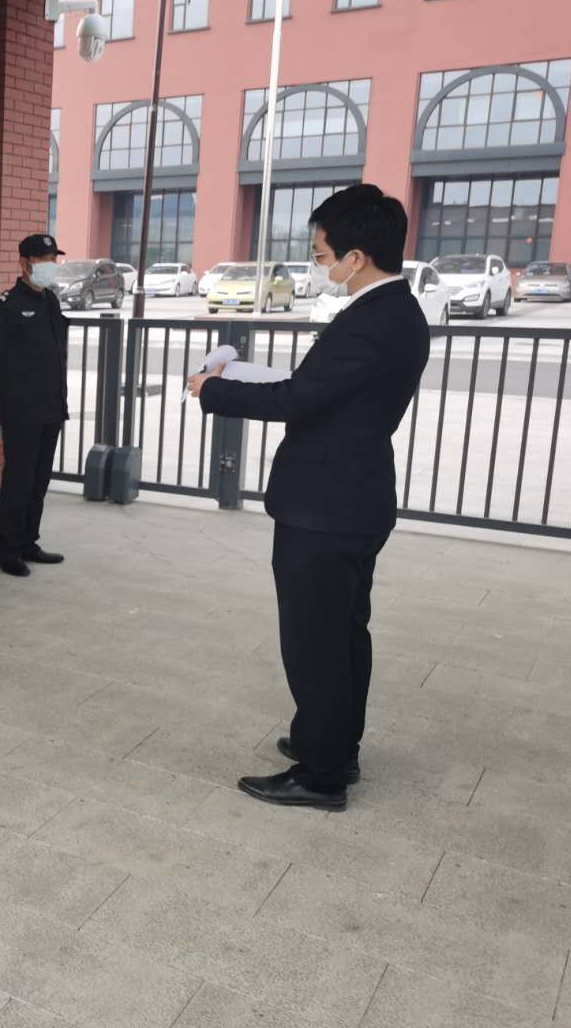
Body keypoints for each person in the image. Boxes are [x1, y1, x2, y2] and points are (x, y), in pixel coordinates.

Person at [188, 183, 429, 810]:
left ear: (356, 257)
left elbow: (298, 399)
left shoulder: (372, 320)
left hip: (327, 505)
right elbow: (322, 392)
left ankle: (321, 776)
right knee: (342, 630)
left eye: (322, 255)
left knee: (315, 640)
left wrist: (214, 388)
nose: (319, 266)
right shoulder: (395, 311)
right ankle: (334, 744)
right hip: (350, 495)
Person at [0, 233, 70, 577]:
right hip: (23, 412)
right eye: (42, 260)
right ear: (24, 263)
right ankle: (7, 550)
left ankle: (27, 541)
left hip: (52, 408)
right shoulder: (6, 306)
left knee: (38, 482)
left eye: (53, 259)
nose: (50, 265)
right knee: (18, 482)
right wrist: (16, 396)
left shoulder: (50, 300)